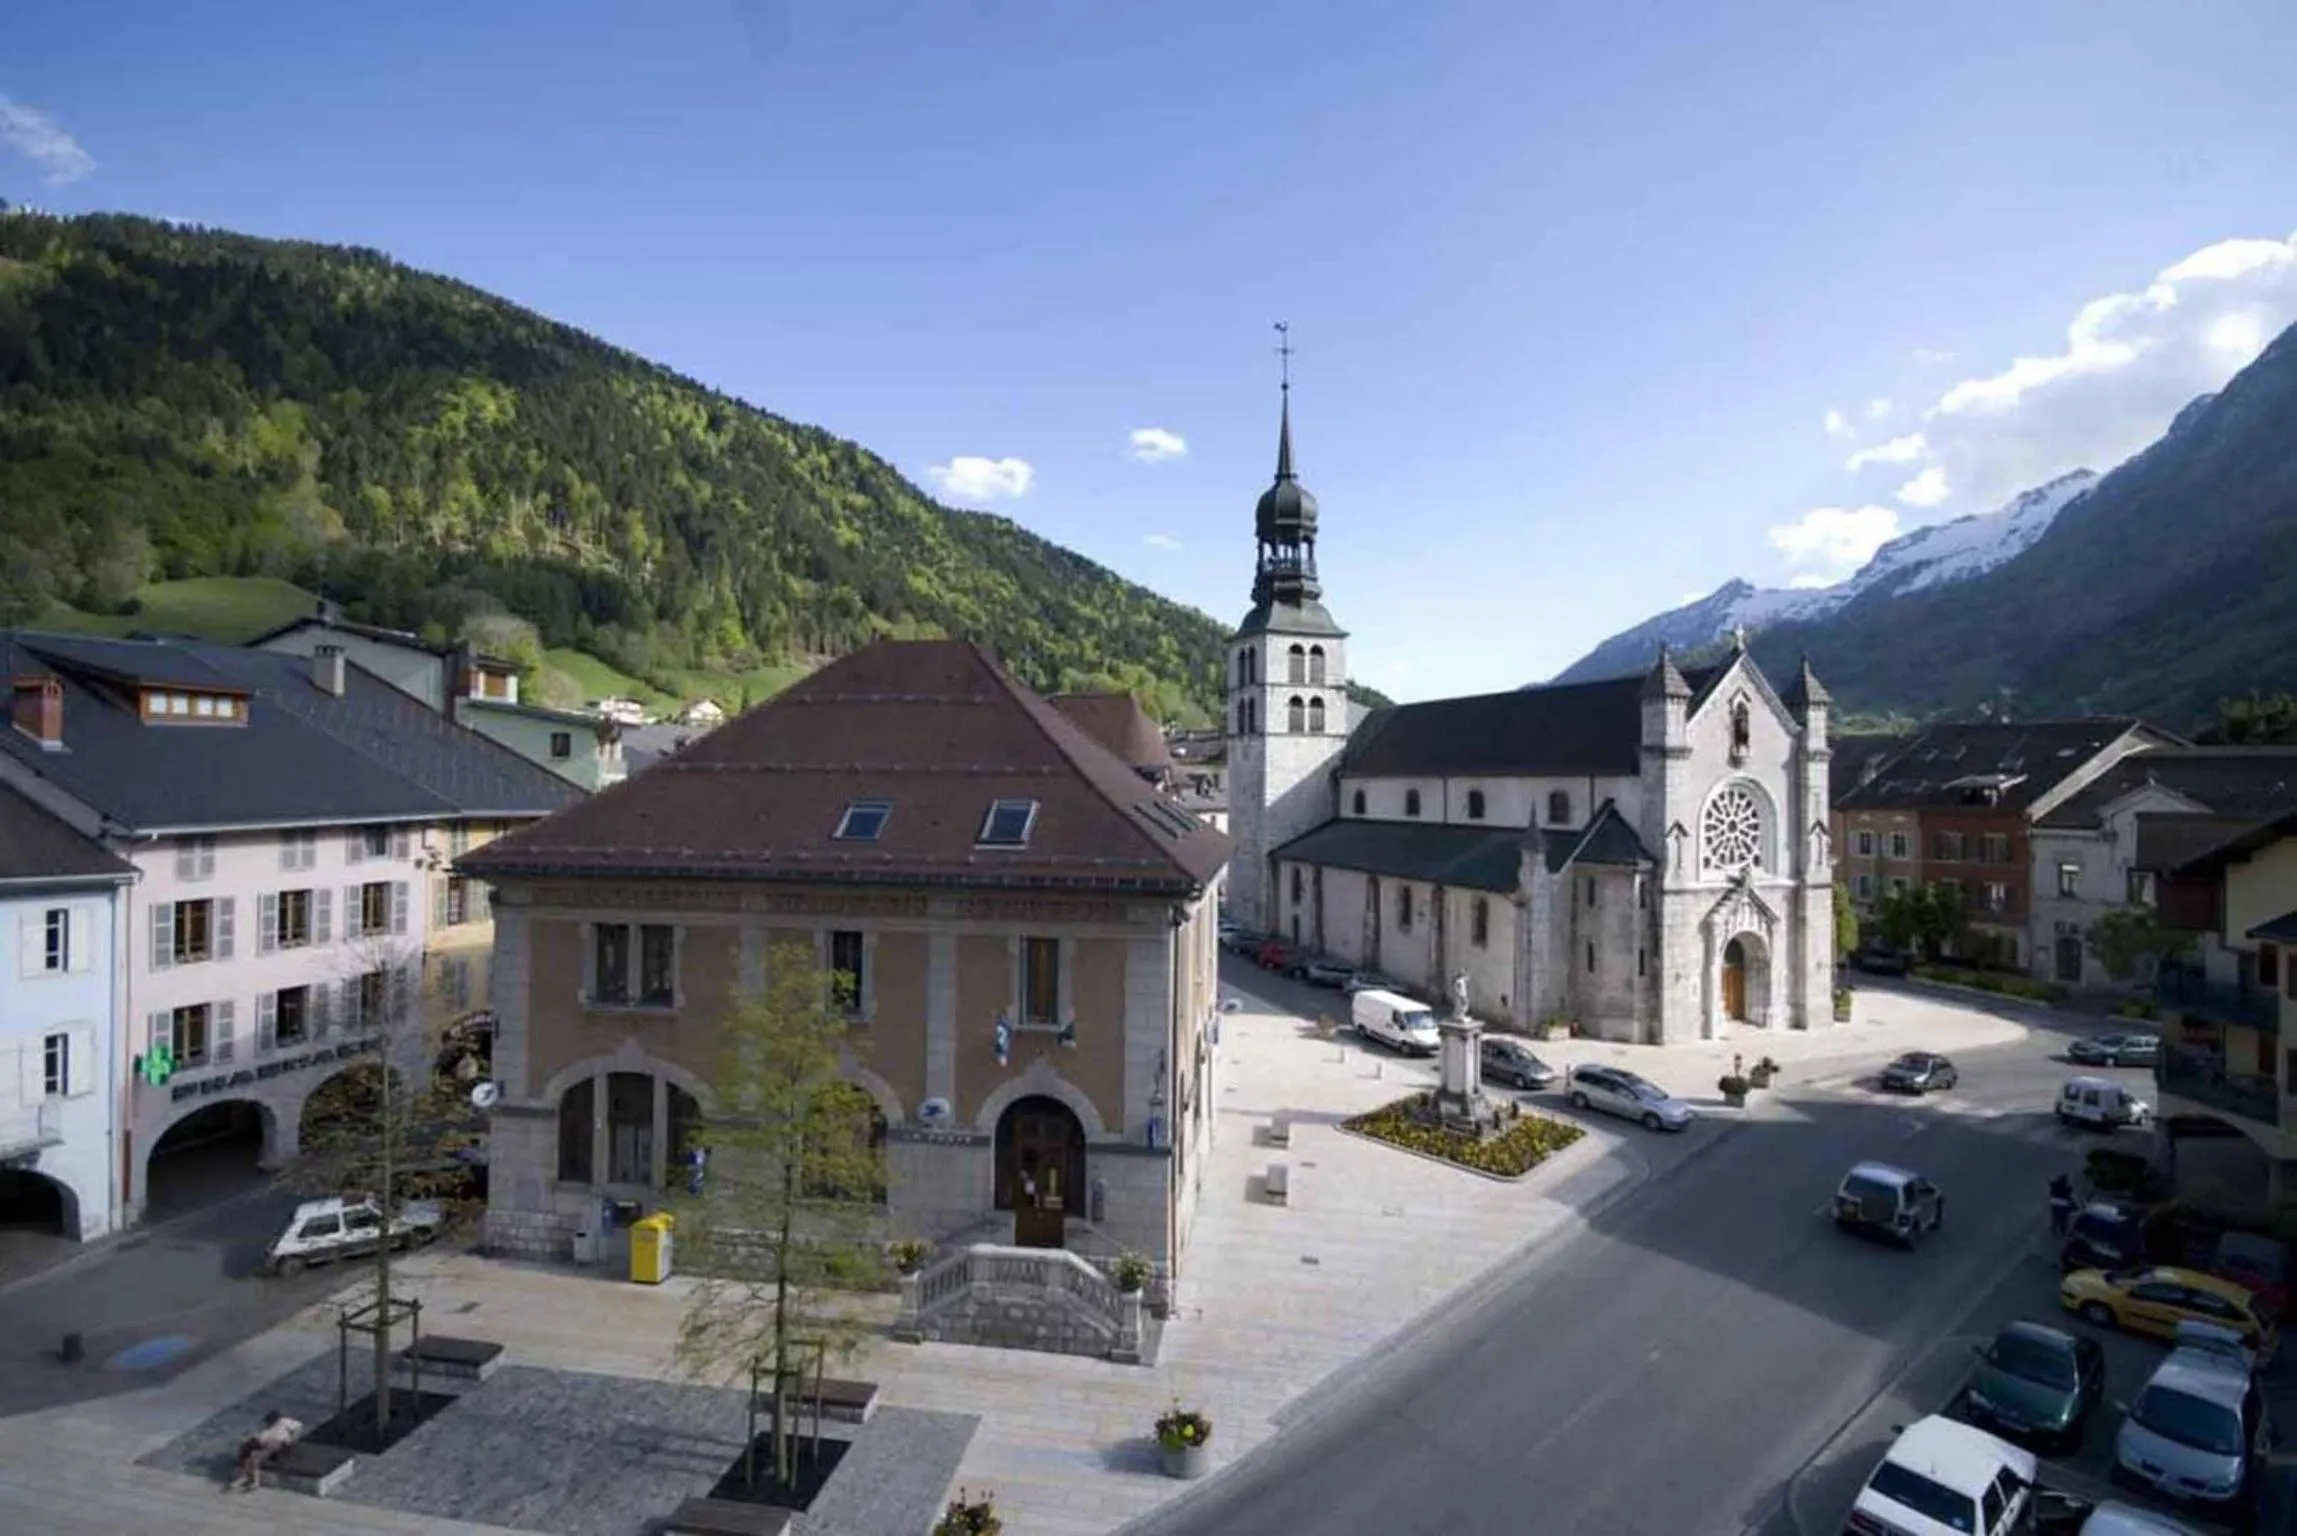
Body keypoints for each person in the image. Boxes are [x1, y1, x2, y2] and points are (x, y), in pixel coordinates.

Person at [231, 1409, 304, 1491]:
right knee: (249, 1454)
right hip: (266, 1443)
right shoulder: (268, 1429)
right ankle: (247, 1476)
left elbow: (299, 1426)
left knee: (255, 1457)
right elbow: (261, 1437)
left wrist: (292, 1439)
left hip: (276, 1445)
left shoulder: (285, 1423)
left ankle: (254, 1480)